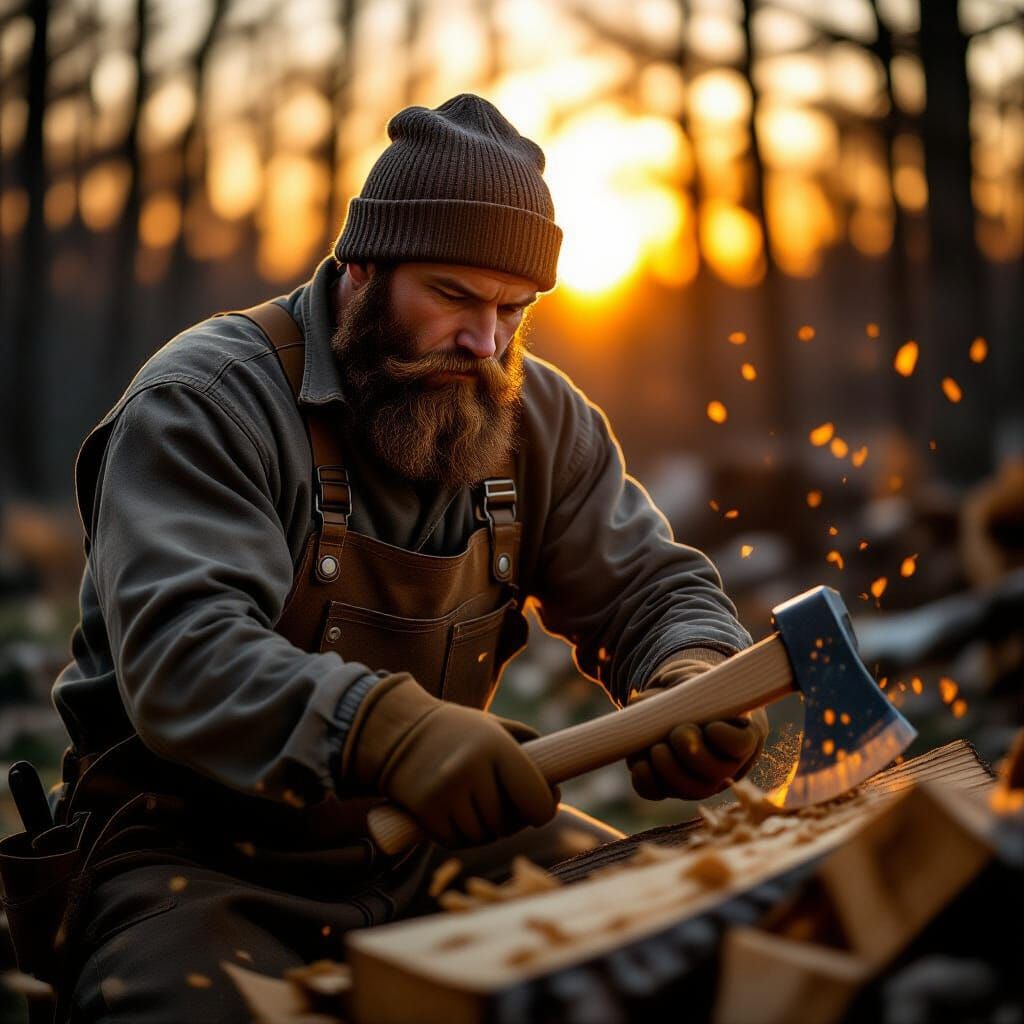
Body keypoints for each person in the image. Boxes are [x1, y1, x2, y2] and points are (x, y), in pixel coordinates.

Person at [42, 94, 765, 1021]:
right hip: (191, 861)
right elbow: (185, 654)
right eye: (454, 296)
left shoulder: (535, 415)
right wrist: (388, 731)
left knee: (703, 932)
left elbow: (651, 588)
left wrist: (698, 675)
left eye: (513, 308)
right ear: (362, 267)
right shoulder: (207, 402)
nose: (485, 342)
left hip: (433, 847)